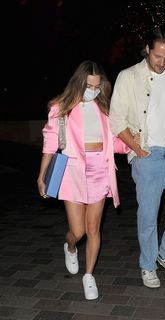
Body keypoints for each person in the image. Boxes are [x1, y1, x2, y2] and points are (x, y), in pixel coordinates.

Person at [109, 27, 165, 288]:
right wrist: (136, 147)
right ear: (147, 49)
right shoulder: (129, 76)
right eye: (157, 56)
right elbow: (116, 118)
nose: (162, 62)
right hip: (147, 153)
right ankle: (147, 265)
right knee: (148, 214)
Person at [37, 60, 129, 300]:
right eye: (89, 85)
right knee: (77, 231)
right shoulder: (62, 108)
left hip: (100, 169)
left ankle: (89, 276)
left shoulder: (106, 109)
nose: (93, 90)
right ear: (79, 83)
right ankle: (69, 246)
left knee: (93, 228)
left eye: (97, 86)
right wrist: (42, 175)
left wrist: (134, 143)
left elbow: (116, 143)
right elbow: (50, 143)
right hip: (73, 171)